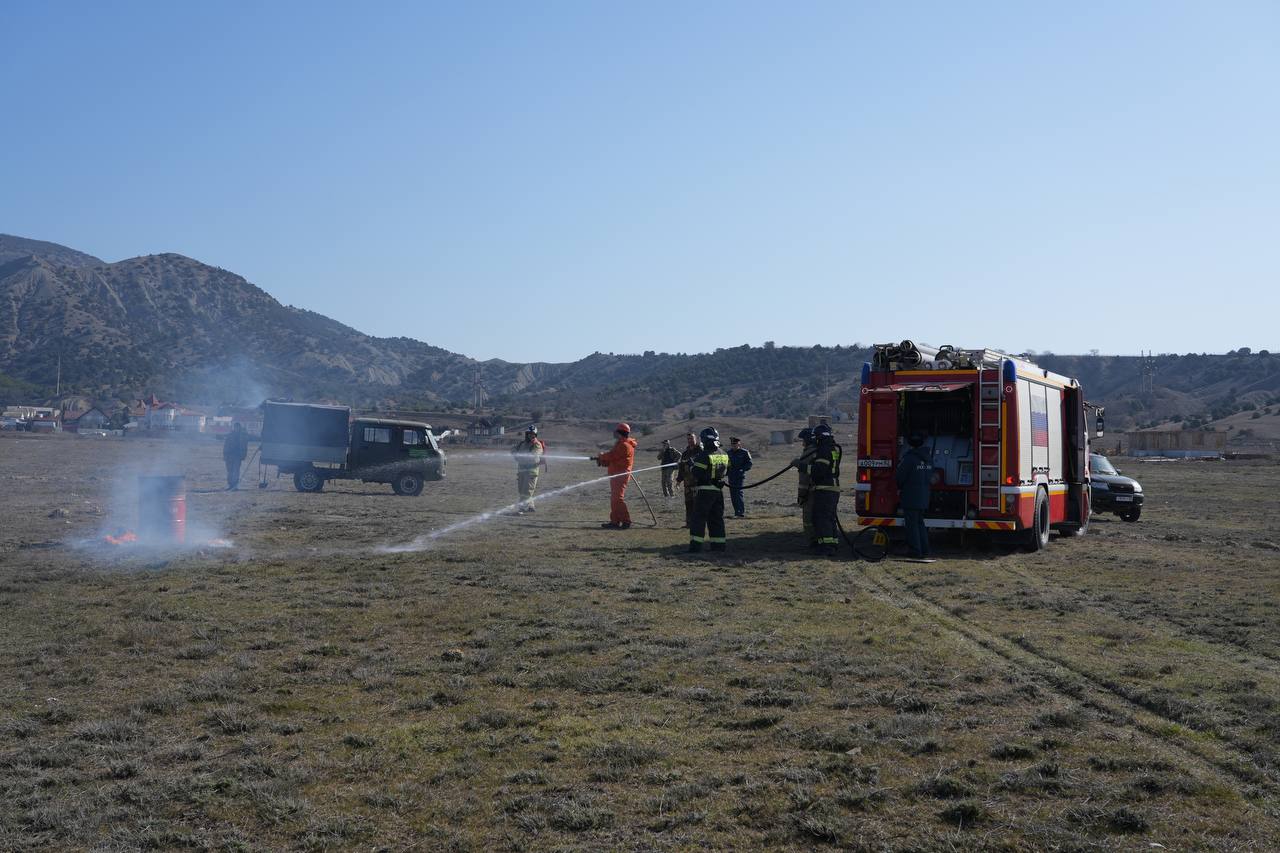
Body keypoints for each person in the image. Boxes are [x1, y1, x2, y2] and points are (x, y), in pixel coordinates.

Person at [688, 427, 730, 552]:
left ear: (705, 440)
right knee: (716, 518)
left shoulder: (704, 455)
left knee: (698, 518)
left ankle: (695, 547)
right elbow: (728, 470)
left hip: (705, 491)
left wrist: (691, 465)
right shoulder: (724, 454)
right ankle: (719, 546)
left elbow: (697, 472)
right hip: (718, 491)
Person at [896, 431, 935, 558]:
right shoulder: (928, 459)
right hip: (924, 496)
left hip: (910, 497)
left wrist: (899, 487)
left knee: (912, 525)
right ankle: (925, 549)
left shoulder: (909, 459)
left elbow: (900, 477)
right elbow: (931, 477)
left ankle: (915, 551)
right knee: (920, 523)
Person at [592, 422, 636, 529]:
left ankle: (626, 521)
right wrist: (603, 462)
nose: (614, 433)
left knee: (617, 499)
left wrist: (602, 456)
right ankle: (615, 521)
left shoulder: (624, 445)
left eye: (616, 431)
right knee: (614, 499)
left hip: (621, 476)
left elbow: (612, 456)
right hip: (616, 475)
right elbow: (615, 460)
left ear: (620, 432)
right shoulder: (620, 444)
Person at [808, 423, 842, 556]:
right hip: (832, 489)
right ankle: (832, 544)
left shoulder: (824, 450)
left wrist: (801, 466)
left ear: (819, 437)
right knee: (829, 518)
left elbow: (819, 471)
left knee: (822, 518)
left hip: (825, 489)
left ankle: (826, 547)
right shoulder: (832, 448)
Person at [511, 425, 547, 513]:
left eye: (533, 434)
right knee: (521, 491)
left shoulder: (537, 445)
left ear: (535, 435)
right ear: (526, 434)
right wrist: (519, 456)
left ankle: (522, 508)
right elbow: (513, 450)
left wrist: (519, 457)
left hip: (531, 473)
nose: (531, 436)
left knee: (526, 491)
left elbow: (534, 458)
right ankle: (531, 506)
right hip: (521, 471)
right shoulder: (522, 444)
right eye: (529, 434)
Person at [792, 427, 818, 549]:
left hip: (811, 493)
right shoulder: (819, 451)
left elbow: (804, 478)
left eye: (803, 440)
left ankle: (812, 542)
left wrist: (801, 495)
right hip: (822, 492)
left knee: (808, 519)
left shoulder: (808, 454)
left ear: (808, 440)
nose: (802, 443)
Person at [675, 432, 699, 528]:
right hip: (687, 483)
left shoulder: (701, 451)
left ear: (696, 439)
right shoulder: (685, 453)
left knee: (697, 504)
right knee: (688, 504)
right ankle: (689, 523)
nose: (690, 440)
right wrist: (678, 480)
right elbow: (682, 469)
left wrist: (693, 462)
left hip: (697, 483)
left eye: (692, 438)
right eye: (688, 439)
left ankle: (697, 523)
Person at [726, 436, 753, 517]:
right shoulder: (728, 453)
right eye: (732, 444)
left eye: (735, 444)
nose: (734, 446)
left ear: (739, 444)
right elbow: (726, 464)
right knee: (733, 495)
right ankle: (736, 511)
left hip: (739, 476)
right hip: (731, 476)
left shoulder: (744, 452)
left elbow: (749, 463)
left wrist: (742, 469)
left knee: (738, 493)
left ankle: (740, 512)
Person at [222, 422, 249, 490]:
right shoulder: (230, 436)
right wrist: (225, 455)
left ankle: (235, 485)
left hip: (237, 456)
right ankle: (230, 485)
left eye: (238, 427)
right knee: (230, 471)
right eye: (235, 427)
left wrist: (243, 455)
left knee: (236, 471)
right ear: (234, 428)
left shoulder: (243, 436)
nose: (236, 429)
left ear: (239, 428)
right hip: (229, 456)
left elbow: (245, 447)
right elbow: (225, 446)